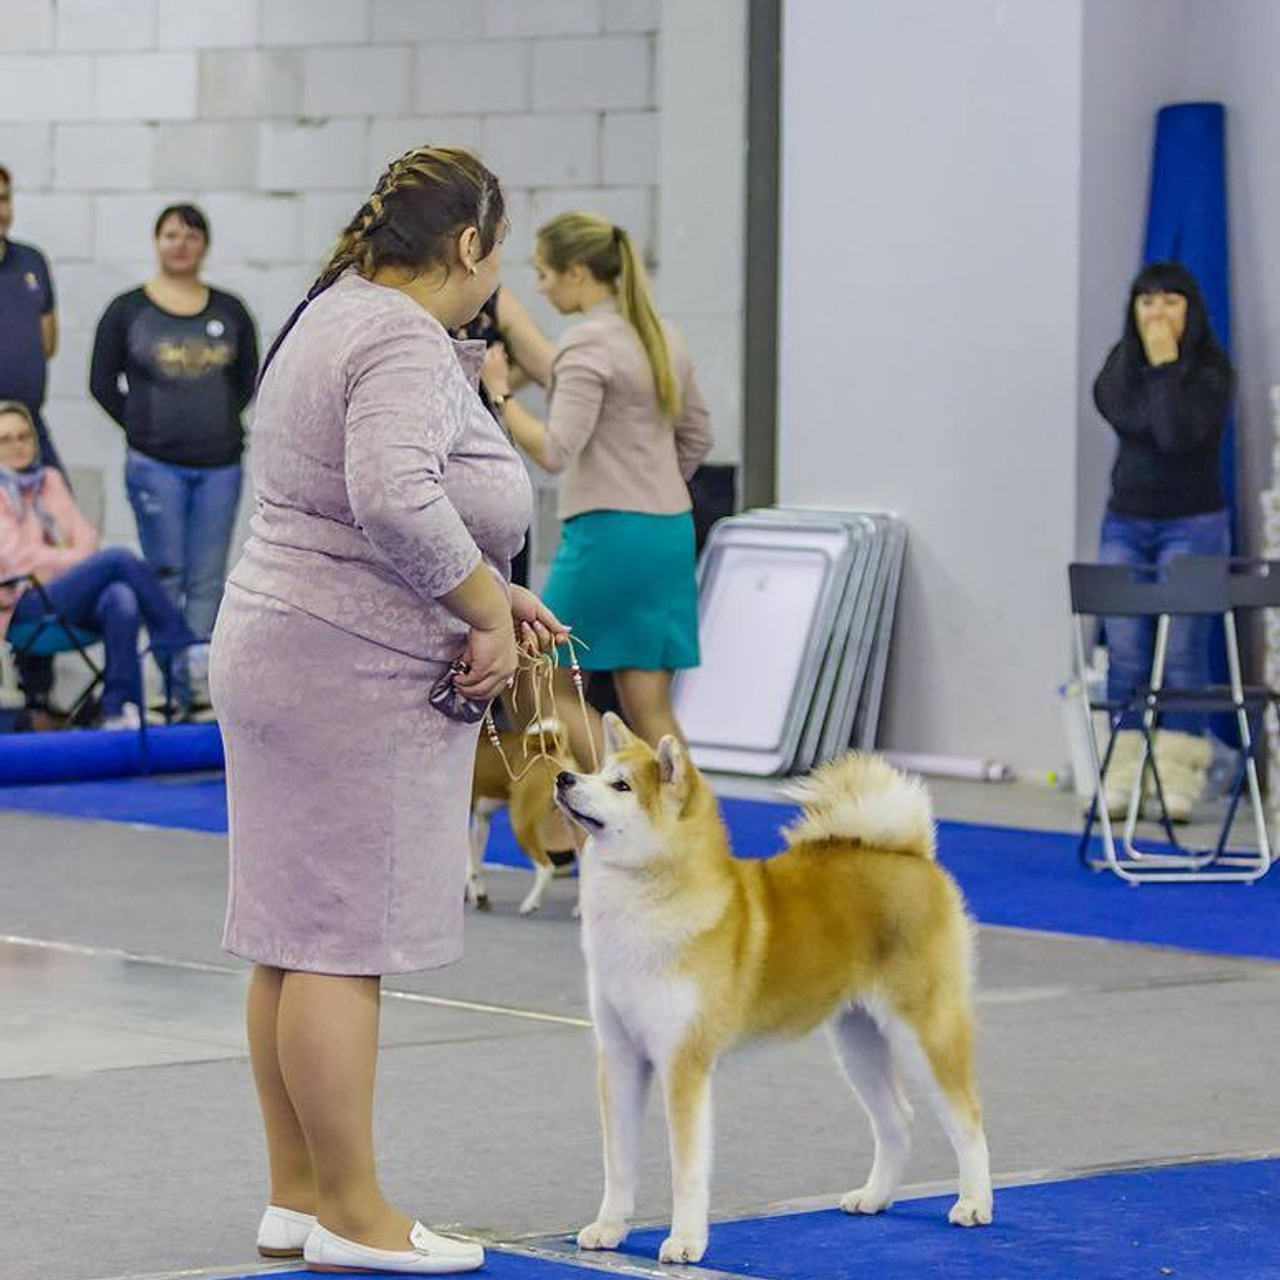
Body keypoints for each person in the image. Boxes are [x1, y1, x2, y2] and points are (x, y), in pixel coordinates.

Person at [208, 146, 564, 1275]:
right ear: (468, 245)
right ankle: (355, 1216)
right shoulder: (403, 336)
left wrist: (488, 591)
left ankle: (297, 1196)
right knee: (338, 942)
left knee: (289, 936)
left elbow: (357, 502)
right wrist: (488, 614)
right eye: (500, 251)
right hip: (345, 668)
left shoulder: (332, 310)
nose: (501, 272)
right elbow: (393, 496)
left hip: (282, 643)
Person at [481, 212, 712, 764]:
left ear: (578, 272)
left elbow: (554, 449)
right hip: (669, 529)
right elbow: (698, 437)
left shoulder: (586, 344)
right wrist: (652, 481)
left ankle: (614, 797)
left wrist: (500, 394)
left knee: (543, 679)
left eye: (544, 274)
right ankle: (683, 814)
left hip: (610, 532)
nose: (541, 288)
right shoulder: (663, 335)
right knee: (647, 699)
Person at [89, 203, 258, 718]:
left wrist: (213, 422)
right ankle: (168, 683)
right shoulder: (127, 309)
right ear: (156, 242)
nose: (180, 244)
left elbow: (248, 381)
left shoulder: (230, 310)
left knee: (207, 580)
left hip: (219, 466)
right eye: (170, 234)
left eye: (191, 235)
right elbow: (100, 383)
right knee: (166, 577)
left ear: (204, 244)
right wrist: (143, 428)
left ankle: (197, 687)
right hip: (154, 466)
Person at [1093, 260, 1234, 820]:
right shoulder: (1120, 364)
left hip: (1193, 524)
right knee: (1126, 652)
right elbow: (1122, 413)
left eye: (1171, 302)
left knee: (1181, 654)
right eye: (1146, 301)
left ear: (1191, 310)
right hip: (1126, 522)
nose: (1157, 313)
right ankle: (1123, 773)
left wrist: (1167, 367)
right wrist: (1152, 371)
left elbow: (1175, 436)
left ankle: (1177, 775)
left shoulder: (1212, 370)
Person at [0, 401, 196, 730]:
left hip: (64, 599)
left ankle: (118, 709)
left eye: (23, 436)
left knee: (120, 596)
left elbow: (87, 539)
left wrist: (57, 566)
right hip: (21, 606)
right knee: (118, 559)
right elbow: (17, 559)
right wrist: (74, 564)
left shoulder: (50, 481)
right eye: (5, 439)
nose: (17, 445)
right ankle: (179, 647)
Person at [0, 164, 65, 723]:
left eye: (4, 198)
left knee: (43, 545)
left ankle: (37, 693)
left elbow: (47, 343)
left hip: (27, 431)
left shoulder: (32, 262)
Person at [453, 286, 554, 588]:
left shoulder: (491, 298)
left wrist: (495, 386)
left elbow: (554, 369)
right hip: (443, 474)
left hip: (485, 477)